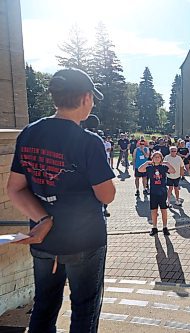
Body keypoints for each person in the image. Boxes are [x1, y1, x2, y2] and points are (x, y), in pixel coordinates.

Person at [7, 68, 115, 332]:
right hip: (85, 240)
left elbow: (15, 188)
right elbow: (107, 195)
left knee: (44, 306)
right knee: (84, 310)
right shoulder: (89, 142)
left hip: (44, 238)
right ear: (86, 98)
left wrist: (43, 217)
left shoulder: (29, 134)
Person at [138, 151, 174, 236]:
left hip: (162, 192)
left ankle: (165, 227)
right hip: (153, 192)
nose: (157, 158)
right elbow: (140, 169)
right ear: (152, 158)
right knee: (154, 210)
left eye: (159, 157)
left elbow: (173, 171)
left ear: (161, 158)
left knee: (163, 210)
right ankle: (154, 227)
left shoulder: (163, 167)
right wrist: (147, 162)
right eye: (155, 157)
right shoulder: (150, 167)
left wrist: (167, 163)